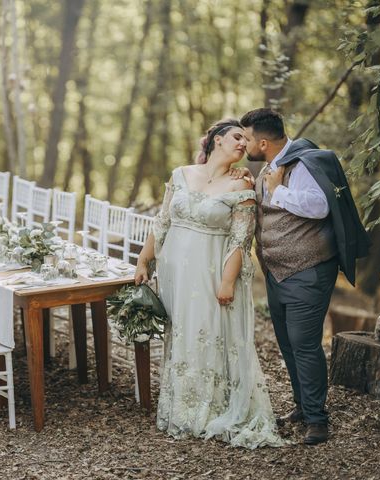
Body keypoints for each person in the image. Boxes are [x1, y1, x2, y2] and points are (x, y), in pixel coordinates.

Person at [134, 119, 284, 449]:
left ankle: (208, 408)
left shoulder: (241, 186)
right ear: (217, 140)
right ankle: (181, 404)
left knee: (206, 332)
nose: (243, 144)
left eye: (247, 140)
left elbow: (240, 241)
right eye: (236, 137)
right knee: (183, 333)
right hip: (175, 274)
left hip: (210, 273)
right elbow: (162, 222)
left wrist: (227, 282)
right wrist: (144, 260)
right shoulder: (180, 174)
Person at [239, 108, 371, 445]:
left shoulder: (304, 163)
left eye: (249, 138)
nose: (245, 144)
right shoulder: (268, 168)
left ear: (264, 142)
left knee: (305, 345)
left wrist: (278, 190)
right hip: (277, 274)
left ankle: (317, 420)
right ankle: (302, 405)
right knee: (286, 343)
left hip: (308, 272)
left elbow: (319, 206)